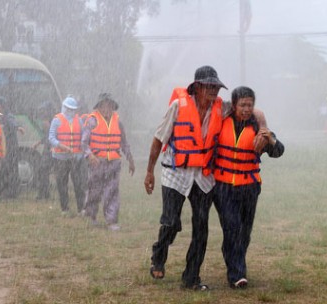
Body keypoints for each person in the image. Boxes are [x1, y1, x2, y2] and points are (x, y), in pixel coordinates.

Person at [144, 66, 268, 290]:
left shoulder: (221, 109)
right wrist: (149, 171)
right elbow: (158, 139)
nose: (214, 91)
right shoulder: (178, 106)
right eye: (209, 86)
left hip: (202, 176)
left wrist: (264, 128)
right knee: (171, 222)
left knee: (201, 229)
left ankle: (191, 279)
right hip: (175, 173)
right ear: (197, 87)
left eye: (217, 87)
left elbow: (252, 111)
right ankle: (158, 256)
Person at [212, 86, 284, 289]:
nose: (246, 108)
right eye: (242, 104)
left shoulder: (258, 128)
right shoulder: (221, 122)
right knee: (232, 227)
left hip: (249, 187)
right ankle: (237, 274)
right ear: (233, 105)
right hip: (224, 186)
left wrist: (270, 137)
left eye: (249, 105)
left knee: (244, 232)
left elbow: (278, 151)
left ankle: (234, 262)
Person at [81, 93, 135, 231]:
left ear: (113, 106)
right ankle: (91, 215)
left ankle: (111, 221)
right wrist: (89, 155)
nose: (106, 108)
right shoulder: (92, 121)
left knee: (112, 192)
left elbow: (124, 143)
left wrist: (130, 159)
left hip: (114, 163)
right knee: (94, 190)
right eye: (103, 105)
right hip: (97, 163)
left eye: (109, 105)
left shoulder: (118, 122)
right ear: (98, 107)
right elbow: (84, 143)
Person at [49, 96, 86, 214]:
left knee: (78, 183)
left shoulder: (78, 120)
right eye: (68, 108)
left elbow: (83, 136)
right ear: (63, 107)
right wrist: (62, 146)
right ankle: (65, 208)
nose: (70, 111)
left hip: (75, 157)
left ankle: (81, 208)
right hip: (60, 158)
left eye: (72, 109)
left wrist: (83, 151)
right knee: (62, 183)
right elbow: (51, 138)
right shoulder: (57, 120)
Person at [0, 97, 24, 199]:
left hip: (11, 148)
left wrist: (17, 127)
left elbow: (13, 123)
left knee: (10, 169)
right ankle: (7, 191)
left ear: (1, 106)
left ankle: (12, 192)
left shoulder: (8, 116)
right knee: (5, 169)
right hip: (4, 147)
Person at [32, 100, 57, 201]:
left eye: (44, 110)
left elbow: (53, 135)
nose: (43, 112)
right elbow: (47, 136)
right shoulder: (51, 120)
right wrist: (38, 143)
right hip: (48, 149)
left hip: (51, 150)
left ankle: (43, 194)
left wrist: (53, 147)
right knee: (43, 171)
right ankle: (44, 193)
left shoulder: (54, 121)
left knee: (43, 170)